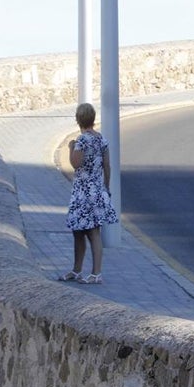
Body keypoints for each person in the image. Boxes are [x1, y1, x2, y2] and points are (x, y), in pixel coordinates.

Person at [60, 102, 118, 284]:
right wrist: (106, 188)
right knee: (92, 232)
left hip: (83, 191)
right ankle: (89, 272)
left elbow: (76, 163)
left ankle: (89, 272)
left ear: (78, 120)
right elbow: (107, 166)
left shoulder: (82, 140)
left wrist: (71, 147)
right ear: (92, 119)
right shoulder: (102, 140)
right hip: (97, 190)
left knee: (83, 232)